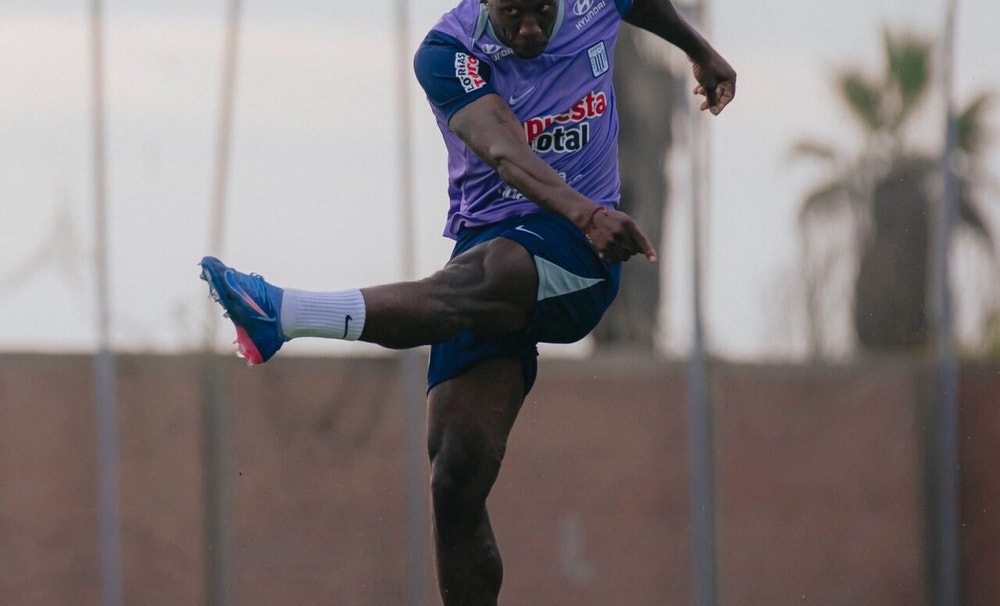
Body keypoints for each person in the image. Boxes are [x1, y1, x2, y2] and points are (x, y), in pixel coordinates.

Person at [199, 0, 734, 602]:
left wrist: (699, 50)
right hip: (505, 243)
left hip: (578, 254)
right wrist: (587, 212)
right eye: (513, 15)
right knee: (454, 476)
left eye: (542, 13)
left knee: (494, 272)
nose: (530, 29)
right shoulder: (446, 53)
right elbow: (504, 150)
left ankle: (285, 315)